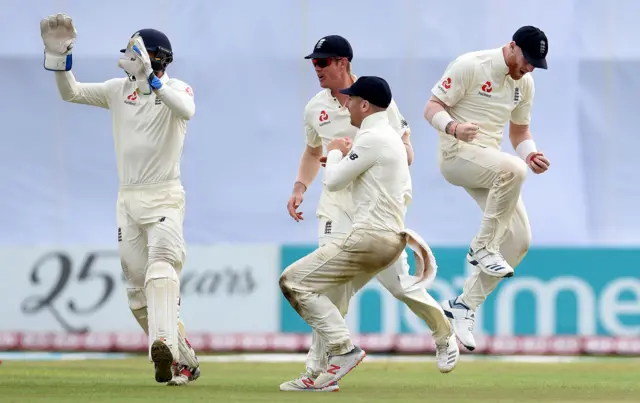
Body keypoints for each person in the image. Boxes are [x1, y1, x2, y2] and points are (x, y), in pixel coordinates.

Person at [281, 36, 457, 392]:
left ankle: (444, 332)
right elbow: (311, 152)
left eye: (323, 62)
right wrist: (300, 187)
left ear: (342, 62)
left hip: (372, 211)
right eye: (314, 63)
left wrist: (369, 155)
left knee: (399, 285)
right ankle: (318, 370)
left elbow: (405, 152)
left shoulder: (374, 101)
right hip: (335, 207)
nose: (316, 69)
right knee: (327, 288)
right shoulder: (315, 107)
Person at [40, 13, 201, 385]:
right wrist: (58, 60)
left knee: (161, 269)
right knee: (136, 294)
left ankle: (162, 344)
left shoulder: (177, 88)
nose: (128, 58)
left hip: (165, 196)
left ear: (156, 58)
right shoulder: (118, 90)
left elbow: (186, 109)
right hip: (127, 200)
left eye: (136, 52)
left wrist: (154, 79)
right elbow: (72, 92)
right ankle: (184, 360)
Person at [423, 26, 551, 351]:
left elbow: (519, 132)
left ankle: (463, 306)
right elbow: (432, 107)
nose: (530, 68)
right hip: (456, 154)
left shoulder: (526, 83)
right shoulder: (471, 65)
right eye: (527, 59)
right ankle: (482, 247)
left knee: (520, 240)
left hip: (490, 164)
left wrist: (531, 152)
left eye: (536, 63)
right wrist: (453, 126)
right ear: (512, 47)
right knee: (512, 169)